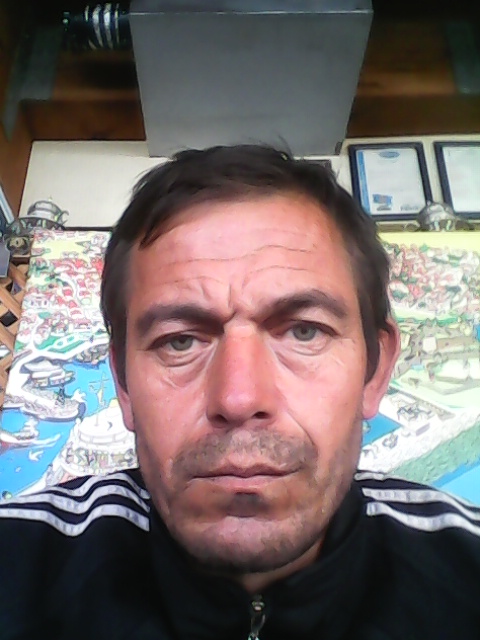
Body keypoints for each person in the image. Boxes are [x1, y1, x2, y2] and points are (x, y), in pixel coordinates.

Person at [1, 145, 479, 639]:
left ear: (374, 372)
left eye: (304, 332)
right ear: (122, 383)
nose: (238, 399)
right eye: (180, 341)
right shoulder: (19, 560)